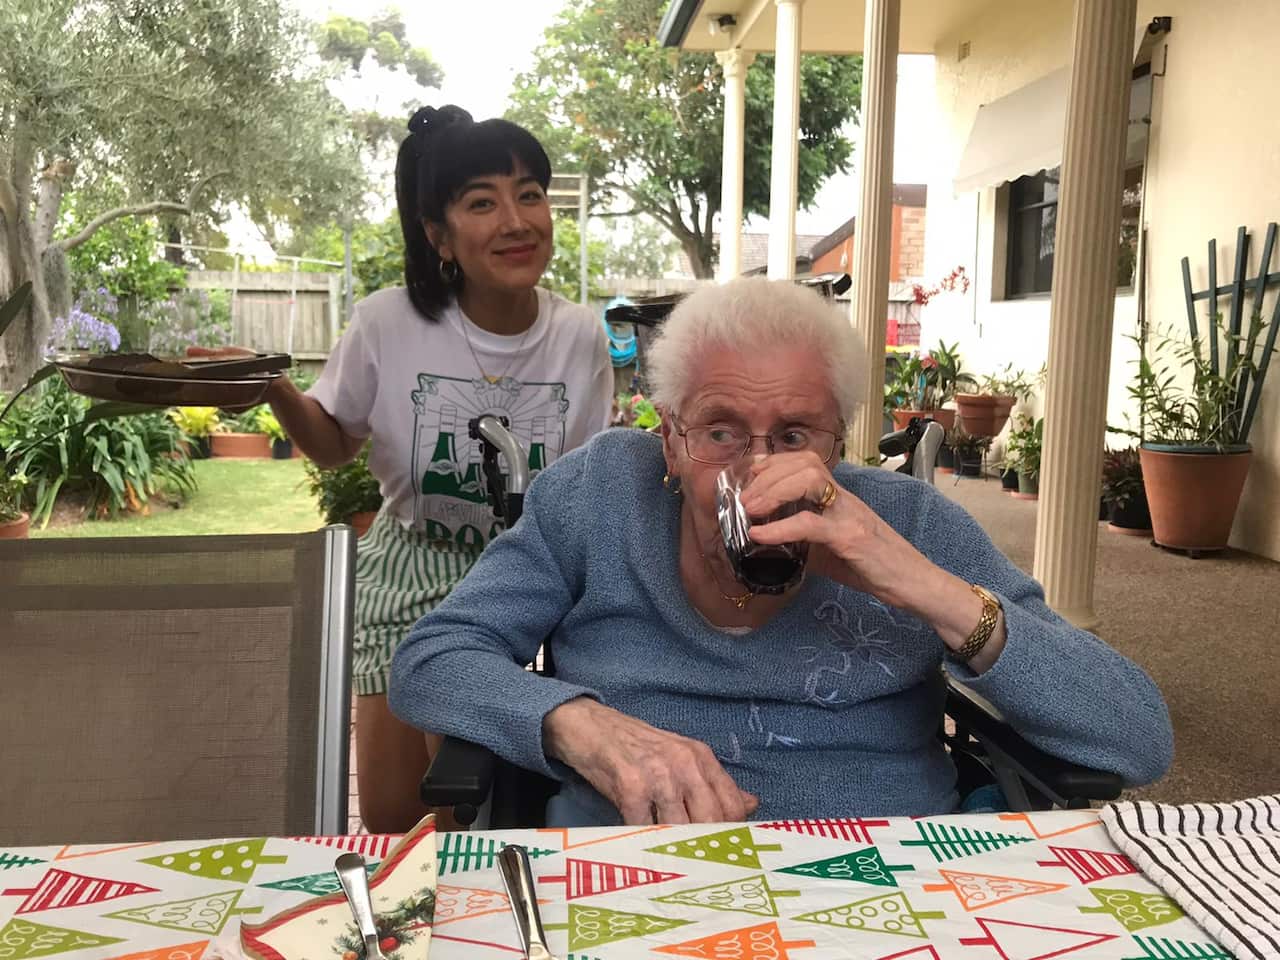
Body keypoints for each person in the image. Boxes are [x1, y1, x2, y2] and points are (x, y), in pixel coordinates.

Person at [388, 277, 1173, 827]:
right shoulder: (598, 496)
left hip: (889, 878)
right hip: (637, 868)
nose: (755, 468)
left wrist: (923, 585)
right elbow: (433, 658)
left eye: (794, 435)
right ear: (667, 436)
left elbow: (1136, 740)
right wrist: (576, 724)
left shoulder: (908, 520)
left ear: (837, 446)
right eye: (720, 430)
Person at [250, 105, 612, 832]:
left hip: (526, 575)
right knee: (395, 825)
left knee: (480, 817)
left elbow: (579, 488)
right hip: (412, 566)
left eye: (530, 194)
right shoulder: (388, 321)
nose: (516, 220)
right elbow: (332, 445)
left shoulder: (578, 334)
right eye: (482, 202)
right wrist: (268, 383)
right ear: (439, 234)